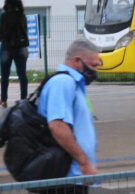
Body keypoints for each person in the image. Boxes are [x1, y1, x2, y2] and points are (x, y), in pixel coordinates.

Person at [38, 38, 103, 178]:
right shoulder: (63, 83)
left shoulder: (74, 84)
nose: (95, 71)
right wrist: (84, 163)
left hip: (74, 174)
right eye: (93, 65)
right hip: (66, 176)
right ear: (77, 61)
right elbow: (57, 125)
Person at [0, 0, 29, 108]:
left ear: (7, 4)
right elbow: (25, 30)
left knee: (5, 75)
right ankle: (24, 99)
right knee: (22, 75)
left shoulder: (4, 16)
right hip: (21, 48)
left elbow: (0, 33)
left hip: (7, 48)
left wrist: (4, 38)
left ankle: (4, 100)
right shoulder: (22, 16)